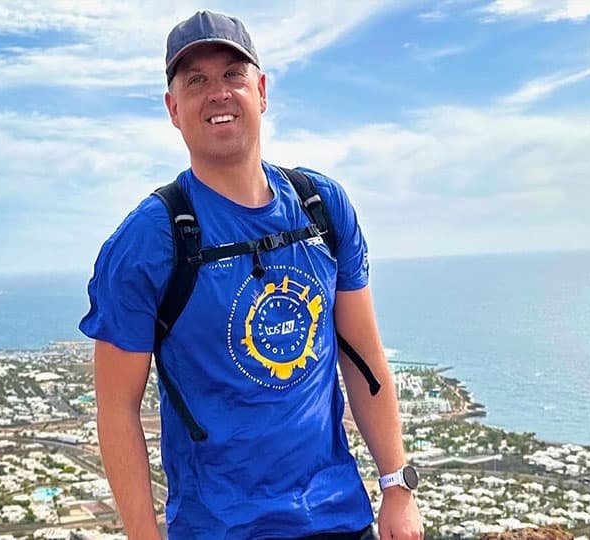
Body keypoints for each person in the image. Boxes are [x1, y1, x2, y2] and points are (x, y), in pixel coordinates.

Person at [80, 10, 424, 540]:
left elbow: (364, 357)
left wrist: (397, 486)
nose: (217, 93)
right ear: (173, 109)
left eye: (232, 76)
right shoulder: (148, 240)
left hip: (338, 518)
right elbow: (118, 408)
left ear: (261, 91)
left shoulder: (322, 208)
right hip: (218, 528)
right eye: (196, 81)